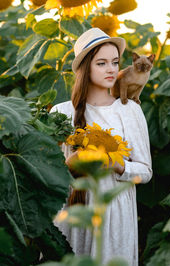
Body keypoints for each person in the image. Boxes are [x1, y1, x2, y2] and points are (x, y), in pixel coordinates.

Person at [50, 28, 153, 265]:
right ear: (86, 68)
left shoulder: (129, 110)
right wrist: (70, 164)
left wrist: (116, 165)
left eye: (115, 62)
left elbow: (145, 171)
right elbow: (50, 173)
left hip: (113, 215)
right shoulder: (61, 112)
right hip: (72, 212)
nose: (111, 69)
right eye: (102, 63)